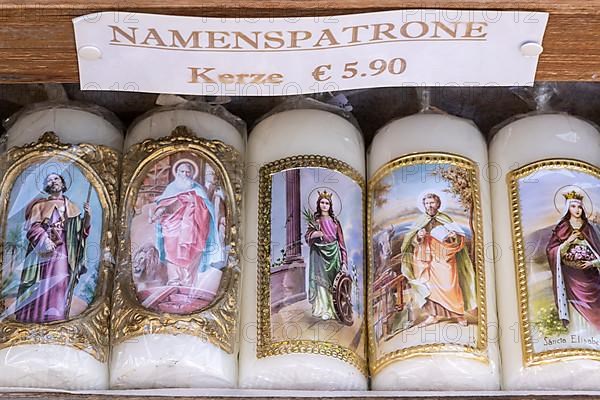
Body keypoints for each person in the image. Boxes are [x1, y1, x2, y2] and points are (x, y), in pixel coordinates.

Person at [15, 173, 90, 323]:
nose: (53, 182)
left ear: (63, 183)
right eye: (49, 180)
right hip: (42, 249)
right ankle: (36, 316)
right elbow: (32, 227)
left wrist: (88, 216)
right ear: (45, 186)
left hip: (63, 249)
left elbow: (81, 232)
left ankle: (55, 316)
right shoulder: (39, 206)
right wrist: (44, 240)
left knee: (60, 280)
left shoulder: (72, 206)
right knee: (40, 282)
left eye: (56, 179)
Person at [400, 193, 476, 327]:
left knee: (450, 286)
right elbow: (410, 241)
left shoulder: (445, 218)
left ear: (438, 204)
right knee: (429, 287)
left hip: (445, 256)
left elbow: (459, 239)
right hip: (425, 258)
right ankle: (432, 315)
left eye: (432, 203)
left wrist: (453, 236)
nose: (429, 206)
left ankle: (458, 315)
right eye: (427, 203)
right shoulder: (420, 220)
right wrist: (418, 236)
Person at [150, 160, 224, 287]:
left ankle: (188, 283)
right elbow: (163, 204)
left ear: (192, 174)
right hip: (172, 227)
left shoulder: (198, 189)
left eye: (188, 172)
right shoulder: (171, 188)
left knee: (191, 253)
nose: (185, 174)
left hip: (193, 228)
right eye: (182, 172)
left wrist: (195, 202)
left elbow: (207, 210)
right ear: (177, 173)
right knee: (171, 252)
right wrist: (157, 214)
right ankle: (174, 280)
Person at [546, 190, 600, 330]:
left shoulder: (588, 228)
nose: (577, 210)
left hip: (592, 276)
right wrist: (568, 242)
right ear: (568, 208)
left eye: (579, 206)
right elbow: (551, 250)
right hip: (572, 277)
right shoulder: (562, 227)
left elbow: (597, 252)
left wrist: (592, 263)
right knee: (579, 310)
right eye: (573, 206)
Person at [305, 190, 348, 321]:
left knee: (333, 283)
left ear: (330, 206)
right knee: (321, 284)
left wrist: (344, 262)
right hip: (319, 255)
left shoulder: (335, 222)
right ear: (319, 204)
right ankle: (323, 309)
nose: (324, 205)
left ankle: (333, 309)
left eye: (327, 203)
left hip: (333, 254)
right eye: (322, 203)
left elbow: (341, 242)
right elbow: (307, 236)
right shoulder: (315, 220)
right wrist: (315, 234)